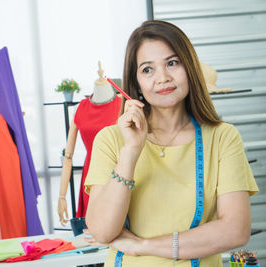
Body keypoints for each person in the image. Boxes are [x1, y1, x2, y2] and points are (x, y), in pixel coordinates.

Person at [84, 20, 259, 267]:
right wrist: (131, 152)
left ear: (189, 67)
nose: (163, 78)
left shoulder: (222, 137)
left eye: (172, 63)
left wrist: (142, 246)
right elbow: (102, 231)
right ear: (137, 83)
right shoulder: (111, 140)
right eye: (147, 69)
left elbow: (235, 230)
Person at [58, 62, 122, 225]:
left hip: (116, 173)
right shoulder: (81, 107)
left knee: (117, 227)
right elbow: (68, 156)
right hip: (90, 176)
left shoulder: (123, 105)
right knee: (93, 234)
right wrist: (62, 196)